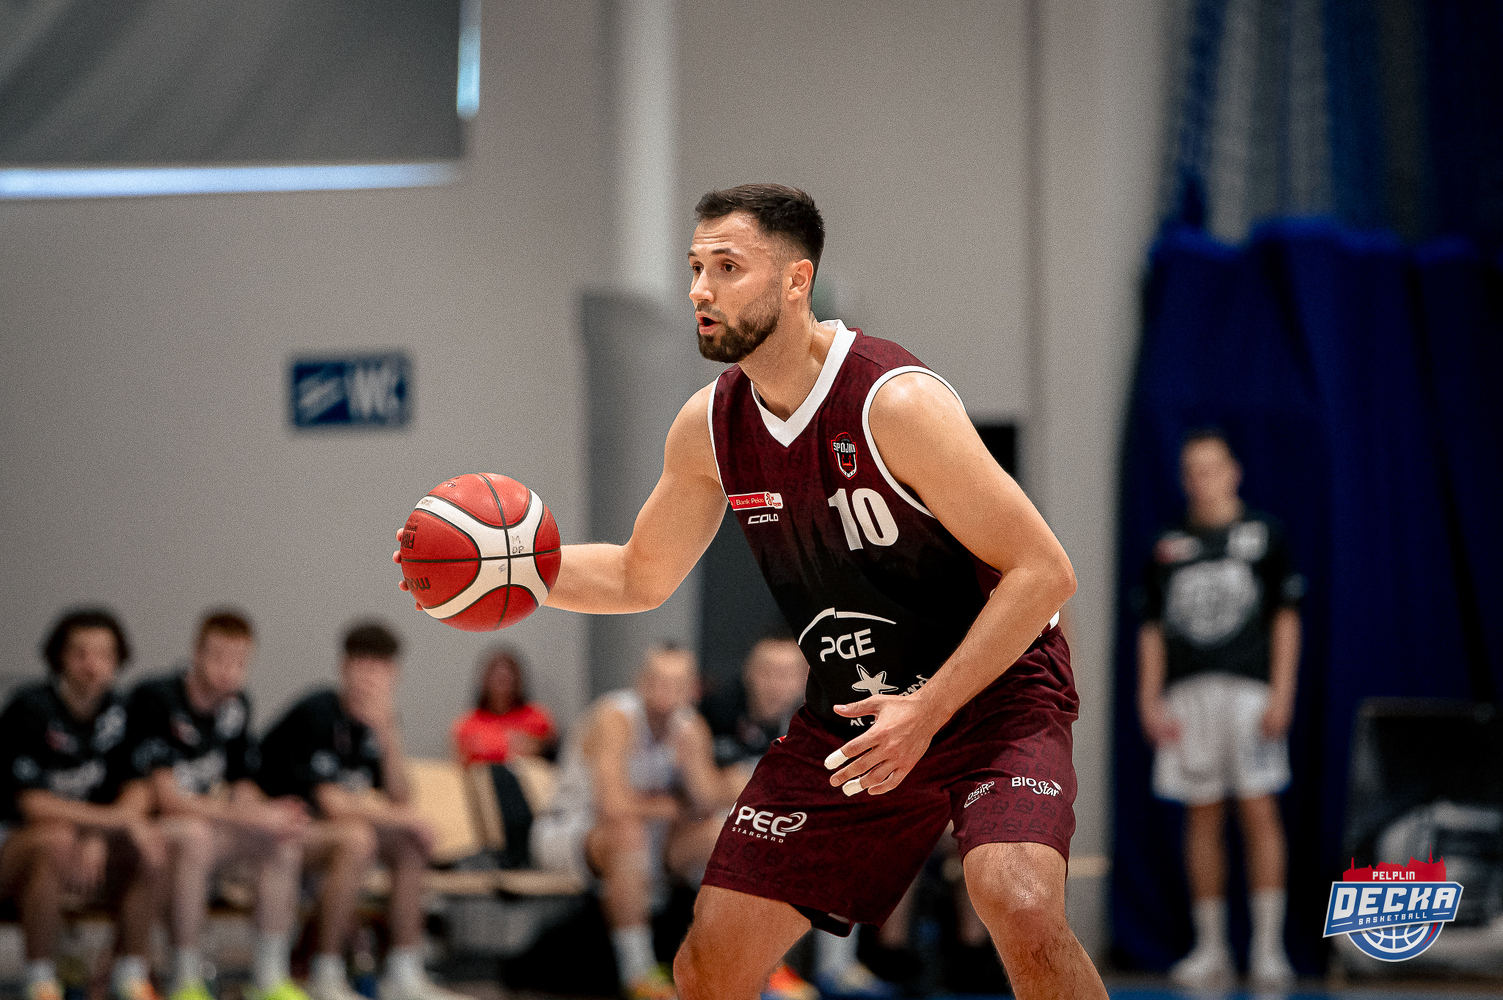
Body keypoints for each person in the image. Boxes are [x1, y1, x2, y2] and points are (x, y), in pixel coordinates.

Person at [400, 184, 1105, 1000]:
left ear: (796, 281)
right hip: (855, 715)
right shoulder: (707, 427)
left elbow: (1042, 572)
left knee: (1016, 899)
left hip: (992, 695)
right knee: (709, 967)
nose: (700, 290)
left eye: (727, 268)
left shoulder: (895, 402)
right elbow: (637, 573)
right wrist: (507, 568)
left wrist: (928, 710)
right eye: (695, 268)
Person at [1137, 429, 1302, 988]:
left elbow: (1286, 617)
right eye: (1191, 470)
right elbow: (1151, 628)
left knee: (1259, 811)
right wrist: (1149, 696)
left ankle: (1268, 950)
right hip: (1188, 695)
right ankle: (1210, 949)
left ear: (1234, 471)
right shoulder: (1167, 545)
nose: (1201, 480)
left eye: (1211, 468)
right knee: (1201, 815)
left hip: (1250, 691)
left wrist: (1282, 691)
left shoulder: (1264, 535)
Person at [257, 622, 464, 1000]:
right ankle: (326, 971)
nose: (370, 677)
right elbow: (332, 806)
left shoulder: (379, 722)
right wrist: (410, 819)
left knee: (408, 844)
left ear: (394, 674)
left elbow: (399, 797)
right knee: (358, 839)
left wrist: (388, 733)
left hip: (326, 831)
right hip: (279, 831)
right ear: (344, 667)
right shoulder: (317, 712)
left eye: (380, 667)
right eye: (362, 665)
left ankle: (404, 972)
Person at [124, 610, 319, 1000]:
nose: (229, 671)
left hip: (207, 822)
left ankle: (268, 976)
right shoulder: (157, 698)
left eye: (239, 662)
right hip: (151, 827)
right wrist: (247, 814)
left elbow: (241, 780)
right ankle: (186, 977)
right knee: (195, 836)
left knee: (282, 839)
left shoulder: (237, 705)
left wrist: (268, 814)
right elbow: (167, 800)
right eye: (218, 658)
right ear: (196, 653)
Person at [530, 645, 731, 1000]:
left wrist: (695, 770)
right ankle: (638, 974)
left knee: (723, 834)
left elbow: (708, 801)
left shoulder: (690, 727)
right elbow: (612, 805)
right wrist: (673, 805)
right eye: (658, 680)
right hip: (571, 830)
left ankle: (738, 965)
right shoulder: (615, 717)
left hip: (650, 837)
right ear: (641, 681)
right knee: (626, 832)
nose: (667, 691)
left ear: (692, 689)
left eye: (677, 683)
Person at [0, 609, 166, 1000]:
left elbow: (141, 789)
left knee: (152, 844)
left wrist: (99, 835)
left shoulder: (121, 712)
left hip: (86, 843)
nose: (92, 665)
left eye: (104, 654)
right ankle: (40, 979)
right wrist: (109, 824)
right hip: (14, 845)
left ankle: (128, 974)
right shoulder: (29, 708)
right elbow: (35, 805)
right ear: (59, 657)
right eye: (80, 653)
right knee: (55, 839)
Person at [706, 635, 884, 1000]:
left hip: (783, 820)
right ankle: (766, 971)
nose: (775, 684)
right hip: (707, 830)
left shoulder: (821, 719)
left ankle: (836, 968)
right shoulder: (716, 713)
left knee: (848, 840)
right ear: (748, 673)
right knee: (765, 838)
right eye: (767, 672)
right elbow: (715, 790)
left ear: (804, 677)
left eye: (786, 674)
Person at [451, 646, 557, 765]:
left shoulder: (538, 717)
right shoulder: (467, 724)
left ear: (517, 681)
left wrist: (536, 747)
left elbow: (556, 758)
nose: (502, 684)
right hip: (483, 774)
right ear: (485, 681)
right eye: (497, 678)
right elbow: (458, 764)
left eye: (507, 678)